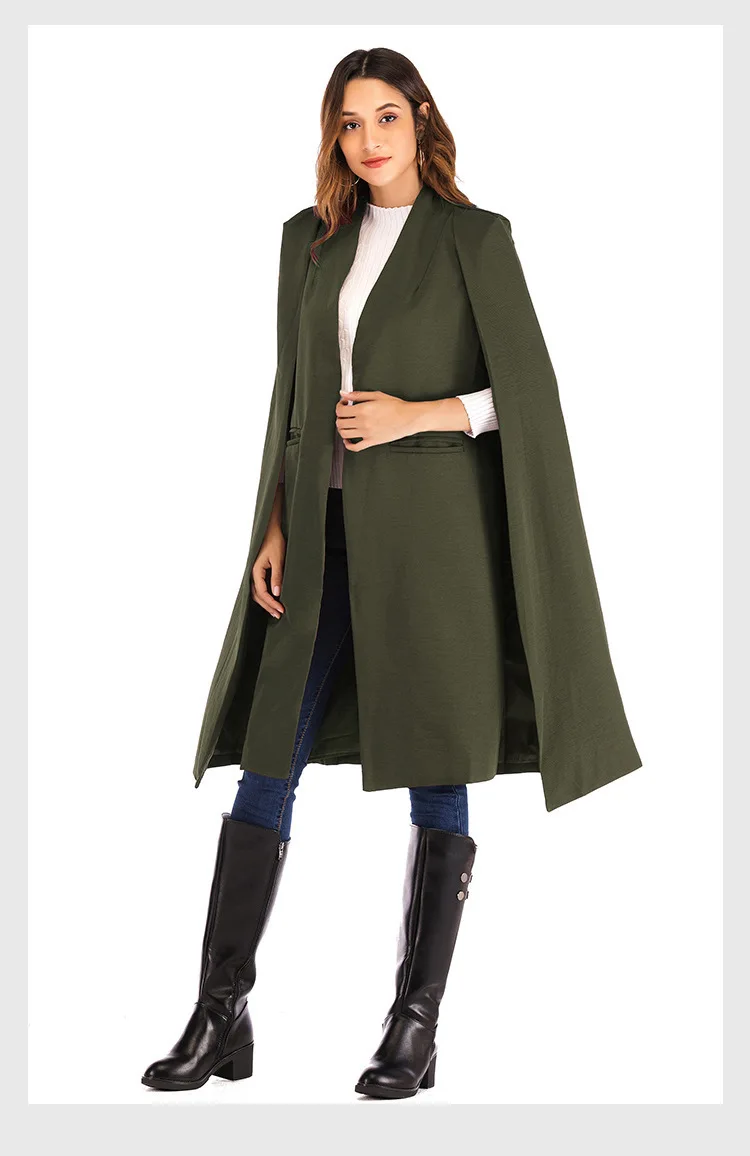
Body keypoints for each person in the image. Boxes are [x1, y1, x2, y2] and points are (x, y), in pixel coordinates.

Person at [142, 46, 641, 1098]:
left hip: (433, 545)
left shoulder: (473, 238)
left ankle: (414, 1027)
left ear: (420, 120)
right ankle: (220, 1010)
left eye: (385, 117)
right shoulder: (310, 241)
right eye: (349, 122)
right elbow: (291, 400)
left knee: (437, 764)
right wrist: (275, 524)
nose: (367, 140)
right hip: (319, 533)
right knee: (266, 759)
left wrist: (419, 415)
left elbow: (527, 394)